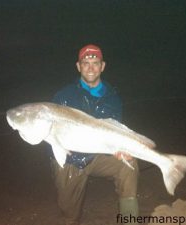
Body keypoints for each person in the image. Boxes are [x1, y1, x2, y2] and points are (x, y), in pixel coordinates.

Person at [51, 44, 139, 225]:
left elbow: (115, 130)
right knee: (69, 212)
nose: (90, 67)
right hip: (70, 158)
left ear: (102, 66)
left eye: (95, 62)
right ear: (78, 66)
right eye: (85, 63)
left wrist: (120, 150)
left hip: (99, 156)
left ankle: (130, 221)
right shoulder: (63, 96)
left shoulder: (113, 98)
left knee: (128, 164)